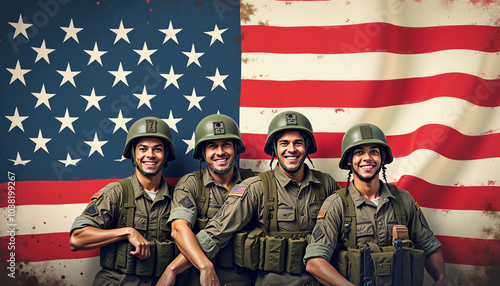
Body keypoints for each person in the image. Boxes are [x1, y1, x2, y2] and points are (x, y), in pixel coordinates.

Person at [184, 111, 340, 286]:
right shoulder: (256, 187)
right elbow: (214, 235)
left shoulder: (326, 184)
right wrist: (172, 269)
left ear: (307, 147)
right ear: (273, 148)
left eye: (298, 143)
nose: (292, 149)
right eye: (284, 143)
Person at [304, 123, 448, 286]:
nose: (367, 157)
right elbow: (314, 262)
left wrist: (441, 279)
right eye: (359, 152)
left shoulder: (403, 200)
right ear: (349, 161)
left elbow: (429, 247)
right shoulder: (336, 205)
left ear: (383, 158)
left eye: (374, 151)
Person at [69, 117, 177, 286]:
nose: (150, 155)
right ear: (133, 154)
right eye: (143, 149)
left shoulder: (177, 197)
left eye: (158, 149)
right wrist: (127, 232)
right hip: (118, 281)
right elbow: (77, 239)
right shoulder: (116, 193)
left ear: (166, 155)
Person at [156, 114, 255, 286]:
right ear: (202, 152)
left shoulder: (253, 183)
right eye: (212, 146)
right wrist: (204, 265)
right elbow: (179, 229)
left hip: (242, 276)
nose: (220, 152)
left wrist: (173, 267)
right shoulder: (191, 184)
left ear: (235, 148)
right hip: (196, 276)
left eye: (226, 145)